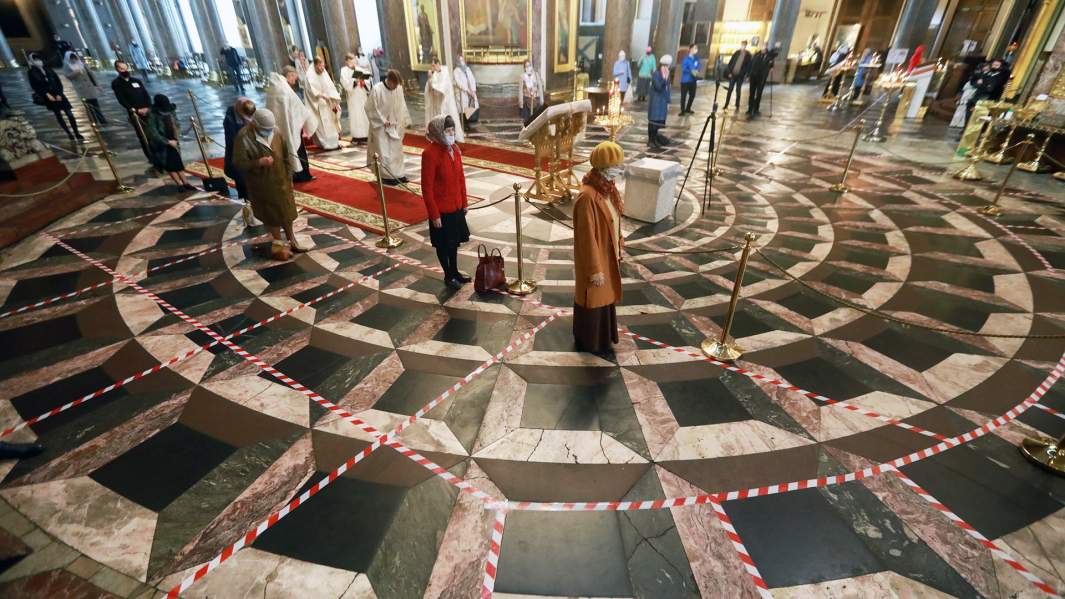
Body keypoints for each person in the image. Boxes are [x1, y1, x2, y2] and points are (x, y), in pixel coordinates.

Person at [233, 108, 309, 261]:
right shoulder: (243, 137)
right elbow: (238, 164)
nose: (268, 132)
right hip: (262, 185)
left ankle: (292, 241)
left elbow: (286, 156)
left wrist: (289, 176)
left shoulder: (277, 132)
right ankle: (279, 246)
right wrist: (258, 162)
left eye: (270, 129)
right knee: (272, 216)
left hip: (281, 181)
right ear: (254, 124)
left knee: (287, 214)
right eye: (264, 129)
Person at [573, 141, 625, 355]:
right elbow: (586, 239)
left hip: (608, 254)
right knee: (593, 298)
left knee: (605, 297)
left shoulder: (606, 189)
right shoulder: (587, 197)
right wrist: (595, 269)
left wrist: (620, 240)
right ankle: (590, 341)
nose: (620, 170)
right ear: (604, 167)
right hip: (596, 261)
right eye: (616, 166)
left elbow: (613, 218)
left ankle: (604, 337)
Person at [421, 115, 470, 290]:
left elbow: (461, 179)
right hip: (441, 210)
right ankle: (448, 275)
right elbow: (426, 188)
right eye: (447, 131)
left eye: (452, 130)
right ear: (438, 132)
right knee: (443, 244)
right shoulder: (430, 153)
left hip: (456, 206)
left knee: (454, 242)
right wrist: (434, 214)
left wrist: (464, 202)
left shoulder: (455, 149)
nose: (451, 134)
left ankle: (455, 271)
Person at [267, 67, 318, 183]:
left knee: (285, 149)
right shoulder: (284, 88)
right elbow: (298, 107)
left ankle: (293, 173)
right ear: (289, 75)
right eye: (294, 77)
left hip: (279, 127)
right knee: (298, 150)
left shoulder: (274, 86)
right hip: (291, 125)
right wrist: (307, 119)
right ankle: (303, 175)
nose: (295, 80)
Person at [366, 69, 412, 184]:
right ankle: (386, 176)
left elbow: (402, 105)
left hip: (394, 125)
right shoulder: (377, 90)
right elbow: (370, 108)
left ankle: (399, 174)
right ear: (389, 81)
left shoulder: (398, 88)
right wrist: (383, 120)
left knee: (397, 151)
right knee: (384, 152)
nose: (396, 88)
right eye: (394, 85)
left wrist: (403, 120)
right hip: (381, 126)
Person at [144, 94, 195, 190]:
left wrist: (177, 136)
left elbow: (176, 124)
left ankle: (185, 183)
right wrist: (167, 141)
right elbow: (152, 132)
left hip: (173, 140)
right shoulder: (152, 115)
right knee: (169, 165)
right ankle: (179, 185)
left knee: (178, 163)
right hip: (162, 143)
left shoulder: (171, 111)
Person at [27, 52, 82, 142]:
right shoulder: (31, 72)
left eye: (39, 59)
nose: (38, 61)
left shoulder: (48, 69)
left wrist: (60, 94)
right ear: (32, 61)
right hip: (48, 96)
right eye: (36, 60)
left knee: (69, 114)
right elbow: (35, 86)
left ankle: (76, 132)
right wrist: (47, 94)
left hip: (58, 93)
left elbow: (58, 81)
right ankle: (69, 133)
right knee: (58, 115)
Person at [112, 59, 152, 160]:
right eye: (121, 69)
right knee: (143, 136)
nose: (124, 70)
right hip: (135, 113)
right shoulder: (116, 83)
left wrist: (148, 106)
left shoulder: (136, 81)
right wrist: (133, 109)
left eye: (125, 68)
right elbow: (121, 99)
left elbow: (145, 94)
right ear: (117, 69)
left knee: (152, 133)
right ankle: (151, 157)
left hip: (147, 110)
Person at [304, 57, 342, 151]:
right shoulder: (310, 75)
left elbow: (330, 87)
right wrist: (321, 96)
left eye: (323, 66)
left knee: (332, 124)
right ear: (316, 65)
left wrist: (334, 99)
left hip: (328, 103)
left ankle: (335, 143)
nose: (322, 69)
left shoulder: (323, 72)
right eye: (320, 66)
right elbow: (311, 92)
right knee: (322, 126)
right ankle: (325, 144)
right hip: (317, 104)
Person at [424, 58, 464, 142]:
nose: (433, 67)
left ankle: (452, 136)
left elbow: (443, 87)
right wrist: (430, 79)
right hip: (437, 102)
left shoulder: (445, 71)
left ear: (438, 63)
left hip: (446, 101)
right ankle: (439, 136)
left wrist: (432, 81)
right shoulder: (434, 74)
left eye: (434, 65)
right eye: (432, 66)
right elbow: (430, 87)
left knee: (448, 120)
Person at [224, 97, 256, 199]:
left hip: (249, 156)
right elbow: (232, 142)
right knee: (243, 185)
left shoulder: (248, 106)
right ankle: (247, 204)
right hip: (238, 157)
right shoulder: (229, 120)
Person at [62, 51, 106, 125]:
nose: (74, 59)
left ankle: (102, 120)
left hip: (90, 87)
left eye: (74, 57)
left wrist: (97, 85)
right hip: (81, 89)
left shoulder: (81, 63)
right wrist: (75, 73)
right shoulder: (67, 66)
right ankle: (93, 120)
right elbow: (67, 76)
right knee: (87, 105)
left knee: (95, 104)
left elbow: (90, 74)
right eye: (71, 58)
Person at [965, 59, 1009, 124]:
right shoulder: (988, 73)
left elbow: (991, 88)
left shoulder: (1000, 76)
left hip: (988, 98)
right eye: (993, 65)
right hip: (977, 95)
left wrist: (983, 83)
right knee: (969, 108)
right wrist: (982, 84)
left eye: (997, 65)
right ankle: (966, 127)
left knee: (979, 113)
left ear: (1001, 67)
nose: (994, 66)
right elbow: (976, 83)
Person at [340, 52, 371, 143]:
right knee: (356, 116)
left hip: (362, 95)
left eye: (354, 61)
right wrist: (354, 81)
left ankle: (366, 134)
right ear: (347, 62)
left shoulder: (360, 69)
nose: (353, 64)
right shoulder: (344, 71)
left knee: (364, 115)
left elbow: (368, 80)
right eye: (351, 62)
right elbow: (345, 83)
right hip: (353, 97)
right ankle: (357, 136)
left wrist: (364, 81)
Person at [647, 55, 672, 149]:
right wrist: (664, 79)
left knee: (658, 123)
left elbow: (668, 88)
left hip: (663, 101)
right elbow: (658, 87)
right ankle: (651, 140)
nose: (667, 68)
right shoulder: (656, 74)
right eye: (666, 66)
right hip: (656, 102)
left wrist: (668, 101)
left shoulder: (667, 74)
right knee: (653, 122)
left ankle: (655, 139)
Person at [746, 45, 778, 117]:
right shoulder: (756, 55)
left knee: (759, 94)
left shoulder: (769, 57)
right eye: (762, 47)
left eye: (764, 47)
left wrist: (776, 47)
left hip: (762, 78)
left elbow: (775, 54)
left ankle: (756, 109)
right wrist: (748, 75)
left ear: (766, 49)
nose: (763, 49)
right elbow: (750, 65)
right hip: (753, 76)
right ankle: (750, 109)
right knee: (751, 94)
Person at [723, 40, 750, 111]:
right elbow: (731, 62)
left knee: (738, 90)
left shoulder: (748, 55)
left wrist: (746, 75)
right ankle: (726, 104)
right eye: (742, 45)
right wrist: (729, 72)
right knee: (730, 89)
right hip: (733, 74)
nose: (743, 46)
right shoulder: (736, 53)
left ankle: (737, 105)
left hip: (740, 75)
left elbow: (748, 66)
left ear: (746, 45)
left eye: (744, 45)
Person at [453, 56, 479, 128]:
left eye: (462, 60)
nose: (462, 61)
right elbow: (459, 83)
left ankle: (469, 122)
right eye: (460, 60)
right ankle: (463, 125)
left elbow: (472, 79)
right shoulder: (456, 71)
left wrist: (473, 90)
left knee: (470, 107)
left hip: (471, 92)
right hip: (462, 93)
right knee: (462, 109)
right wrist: (467, 90)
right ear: (457, 62)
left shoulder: (467, 69)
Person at [678, 44, 701, 115]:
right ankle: (682, 110)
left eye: (696, 48)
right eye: (695, 48)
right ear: (690, 49)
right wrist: (691, 71)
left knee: (692, 95)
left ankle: (688, 108)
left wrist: (697, 71)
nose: (696, 50)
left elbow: (699, 66)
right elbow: (684, 69)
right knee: (683, 96)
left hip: (693, 80)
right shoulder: (686, 59)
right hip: (685, 80)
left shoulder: (696, 58)